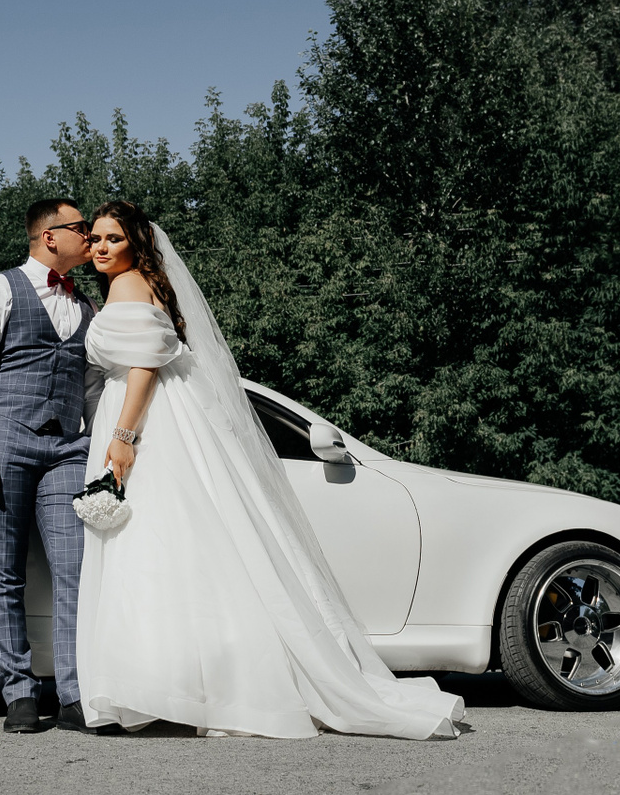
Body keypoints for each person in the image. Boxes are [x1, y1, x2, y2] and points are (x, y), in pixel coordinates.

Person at [74, 200, 466, 739]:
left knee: (154, 543)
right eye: (95, 238)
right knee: (188, 544)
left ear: (135, 242)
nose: (100, 248)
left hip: (144, 420)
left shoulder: (126, 284)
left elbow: (143, 366)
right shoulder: (148, 283)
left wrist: (123, 438)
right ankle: (195, 685)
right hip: (168, 416)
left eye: (112, 238)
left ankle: (172, 687)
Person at [0, 198, 101, 734]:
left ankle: (74, 694)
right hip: (5, 445)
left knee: (75, 569)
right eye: (81, 227)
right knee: (2, 572)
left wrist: (102, 447)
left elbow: (91, 389)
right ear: (50, 236)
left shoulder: (88, 307)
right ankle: (18, 694)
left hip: (67, 451)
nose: (90, 236)